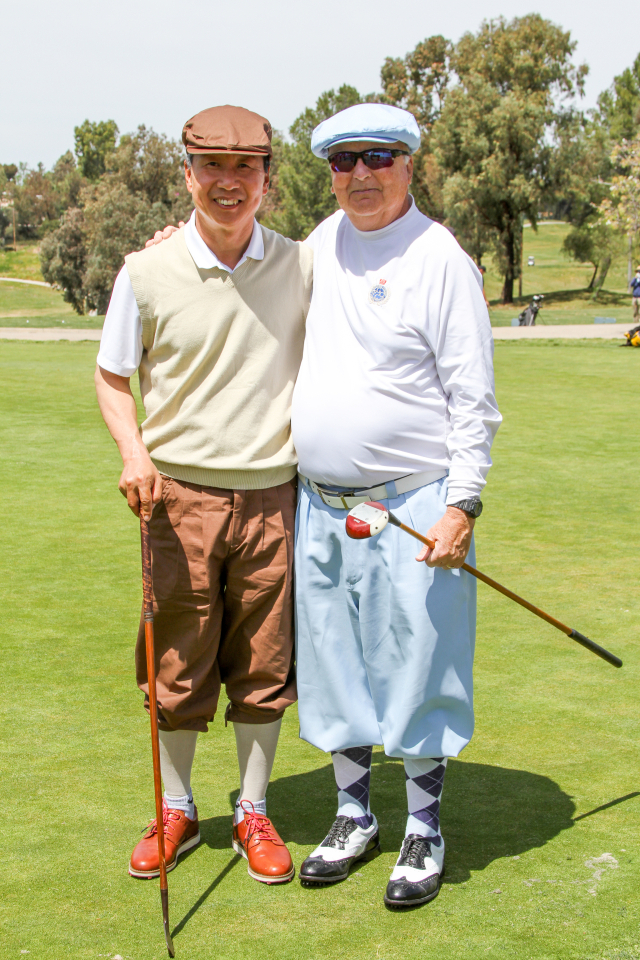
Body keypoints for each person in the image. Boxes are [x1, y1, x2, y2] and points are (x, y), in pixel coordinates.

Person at [290, 103, 502, 908]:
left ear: (409, 163)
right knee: (334, 664)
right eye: (344, 160)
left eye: (378, 156)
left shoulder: (438, 256)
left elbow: (472, 400)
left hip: (413, 506)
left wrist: (464, 504)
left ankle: (422, 827)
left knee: (419, 663)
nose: (360, 174)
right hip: (321, 505)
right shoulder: (319, 243)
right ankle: (354, 814)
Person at [95, 105, 313, 885]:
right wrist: (133, 451)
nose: (229, 183)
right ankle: (178, 808)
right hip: (177, 498)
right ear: (187, 175)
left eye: (245, 168)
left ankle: (253, 810)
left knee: (264, 662)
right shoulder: (145, 271)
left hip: (273, 497)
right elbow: (113, 375)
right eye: (211, 168)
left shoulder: (301, 263)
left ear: (265, 179)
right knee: (179, 663)